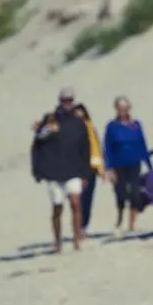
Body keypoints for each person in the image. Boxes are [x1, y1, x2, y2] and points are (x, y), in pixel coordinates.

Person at [30, 106, 91, 253]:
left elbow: (85, 148)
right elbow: (37, 147)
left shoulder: (78, 124)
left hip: (73, 171)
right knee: (57, 208)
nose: (68, 103)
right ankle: (58, 242)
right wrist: (38, 171)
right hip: (54, 174)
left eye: (70, 100)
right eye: (65, 100)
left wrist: (85, 173)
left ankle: (77, 239)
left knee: (76, 204)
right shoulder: (49, 126)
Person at [103, 96, 149, 237]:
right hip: (118, 164)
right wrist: (109, 168)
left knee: (135, 192)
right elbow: (107, 147)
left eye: (126, 108)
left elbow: (142, 143)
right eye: (120, 108)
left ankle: (132, 224)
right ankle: (120, 219)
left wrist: (149, 164)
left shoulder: (136, 125)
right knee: (121, 193)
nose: (123, 111)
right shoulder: (112, 126)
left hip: (134, 163)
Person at [73, 103, 104, 236]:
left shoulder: (91, 128)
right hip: (75, 169)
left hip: (90, 168)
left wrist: (100, 168)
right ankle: (78, 227)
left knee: (87, 199)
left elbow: (96, 148)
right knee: (76, 200)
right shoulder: (71, 130)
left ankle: (83, 227)